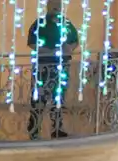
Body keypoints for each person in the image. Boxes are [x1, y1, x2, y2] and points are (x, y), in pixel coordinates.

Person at [26, 0, 80, 140]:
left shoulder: (66, 24)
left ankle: (57, 128)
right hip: (43, 66)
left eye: (59, 4)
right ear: (48, 6)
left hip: (61, 67)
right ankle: (34, 128)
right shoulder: (39, 23)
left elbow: (75, 41)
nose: (56, 7)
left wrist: (69, 48)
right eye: (53, 4)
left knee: (59, 98)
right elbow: (32, 42)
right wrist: (45, 50)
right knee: (39, 97)